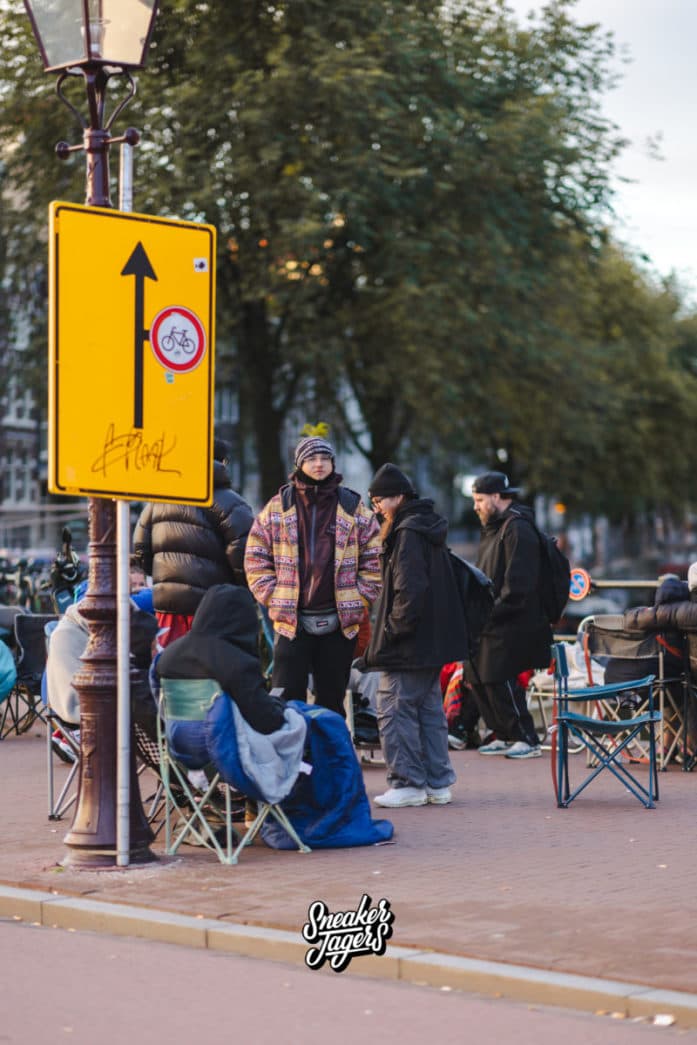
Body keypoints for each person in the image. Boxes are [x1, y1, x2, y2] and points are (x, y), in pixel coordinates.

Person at [244, 433, 381, 717]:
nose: (319, 464)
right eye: (311, 458)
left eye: (324, 458)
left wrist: (359, 599)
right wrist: (272, 596)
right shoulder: (278, 506)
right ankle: (296, 759)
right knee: (286, 700)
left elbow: (373, 559)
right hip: (291, 621)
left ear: (332, 463)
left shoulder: (352, 507)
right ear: (299, 464)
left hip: (339, 621)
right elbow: (255, 555)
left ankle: (327, 759)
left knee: (331, 702)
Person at [359, 463, 466, 808]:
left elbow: (409, 591)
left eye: (381, 500)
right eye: (373, 501)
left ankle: (407, 782)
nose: (377, 508)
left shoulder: (405, 533)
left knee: (393, 707)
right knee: (428, 709)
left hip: (408, 642)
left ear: (399, 497)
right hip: (432, 639)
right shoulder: (426, 527)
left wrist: (391, 632)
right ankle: (437, 781)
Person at [133, 438, 253, 648]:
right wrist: (244, 594)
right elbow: (245, 555)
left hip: (167, 605)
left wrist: (165, 578)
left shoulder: (159, 500)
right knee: (210, 667)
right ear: (223, 462)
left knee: (169, 666)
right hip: (214, 605)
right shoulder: (232, 503)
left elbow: (141, 548)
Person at [468, 471, 552, 759]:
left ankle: (525, 737)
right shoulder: (494, 527)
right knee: (475, 672)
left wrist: (493, 613)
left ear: (495, 497)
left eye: (479, 499)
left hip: (512, 618)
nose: (475, 506)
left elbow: (519, 584)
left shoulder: (517, 529)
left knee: (497, 673)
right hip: (491, 616)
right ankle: (502, 733)